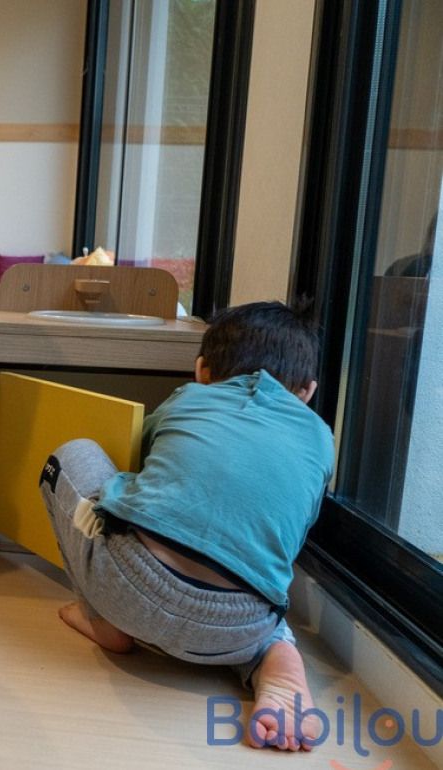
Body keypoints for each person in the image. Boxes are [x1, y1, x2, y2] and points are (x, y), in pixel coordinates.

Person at [39, 300, 334, 752]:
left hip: (133, 587)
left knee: (72, 457)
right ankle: (273, 657)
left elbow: (145, 462)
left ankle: (102, 618)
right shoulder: (320, 439)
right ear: (307, 392)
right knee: (262, 593)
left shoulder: (190, 398)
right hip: (240, 623)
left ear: (201, 370)